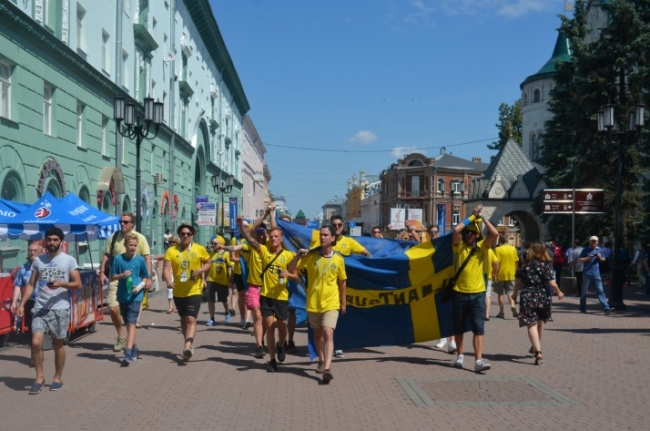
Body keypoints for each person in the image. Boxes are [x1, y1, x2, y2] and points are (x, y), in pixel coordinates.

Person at [226, 216, 296, 372]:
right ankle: (272, 360)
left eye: (276, 237)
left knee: (282, 326)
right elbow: (251, 240)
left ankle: (281, 344)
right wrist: (242, 229)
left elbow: (297, 275)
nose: (273, 239)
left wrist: (289, 274)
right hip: (265, 295)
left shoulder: (289, 255)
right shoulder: (263, 250)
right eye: (271, 237)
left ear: (281, 238)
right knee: (270, 327)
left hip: (281, 297)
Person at [17, 227, 81, 394]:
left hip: (60, 309)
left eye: (55, 240)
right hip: (40, 307)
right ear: (45, 241)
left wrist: (61, 284)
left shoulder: (68, 260)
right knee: (36, 342)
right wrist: (22, 304)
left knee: (57, 345)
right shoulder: (39, 261)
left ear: (61, 241)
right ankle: (39, 377)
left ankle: (57, 378)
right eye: (49, 240)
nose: (52, 243)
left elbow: (77, 283)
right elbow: (31, 284)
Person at [288, 225, 347, 384]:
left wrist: (343, 302)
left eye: (326, 235)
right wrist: (298, 256)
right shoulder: (311, 256)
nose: (322, 238)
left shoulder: (339, 259)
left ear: (333, 238)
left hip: (331, 303)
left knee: (328, 333)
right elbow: (291, 269)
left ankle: (327, 369)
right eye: (321, 235)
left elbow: (342, 282)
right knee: (317, 335)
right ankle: (321, 360)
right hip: (314, 303)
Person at [310, 214, 370, 358]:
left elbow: (366, 253)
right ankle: (321, 352)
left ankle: (336, 347)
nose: (337, 227)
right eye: (334, 225)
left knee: (335, 324)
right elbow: (311, 256)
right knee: (321, 328)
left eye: (339, 225)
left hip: (342, 285)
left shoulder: (349, 242)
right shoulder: (321, 243)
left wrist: (372, 267)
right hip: (320, 289)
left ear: (343, 227)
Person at [450, 205, 498, 373]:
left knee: (478, 328)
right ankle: (460, 356)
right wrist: (472, 217)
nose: (469, 234)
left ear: (478, 235)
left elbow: (495, 234)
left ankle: (478, 360)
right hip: (459, 293)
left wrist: (482, 218)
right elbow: (456, 230)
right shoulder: (458, 247)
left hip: (478, 294)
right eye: (468, 232)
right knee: (459, 327)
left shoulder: (482, 248)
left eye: (473, 232)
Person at [220, 207, 273, 358]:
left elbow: (271, 229)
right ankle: (259, 346)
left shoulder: (270, 247)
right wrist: (223, 247)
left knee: (267, 319)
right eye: (258, 232)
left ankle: (266, 341)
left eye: (263, 233)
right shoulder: (249, 247)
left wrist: (269, 214)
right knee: (257, 314)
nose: (260, 234)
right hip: (254, 286)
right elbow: (235, 247)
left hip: (269, 288)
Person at [99, 212, 152, 353]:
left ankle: (130, 342)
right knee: (112, 308)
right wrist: (102, 272)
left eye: (125, 222)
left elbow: (147, 258)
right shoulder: (114, 237)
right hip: (116, 277)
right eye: (121, 221)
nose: (122, 224)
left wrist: (149, 278)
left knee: (129, 315)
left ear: (132, 224)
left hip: (132, 280)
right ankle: (121, 335)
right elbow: (107, 255)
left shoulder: (139, 238)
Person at [163, 223, 211, 362]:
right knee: (183, 319)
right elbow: (166, 268)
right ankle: (188, 345)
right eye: (183, 234)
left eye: (188, 234)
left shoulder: (199, 249)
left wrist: (201, 271)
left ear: (192, 236)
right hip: (178, 291)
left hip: (194, 289)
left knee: (191, 319)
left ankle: (187, 346)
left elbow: (208, 262)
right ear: (179, 235)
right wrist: (168, 280)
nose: (185, 236)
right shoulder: (172, 250)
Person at [513, 242, 565, 365]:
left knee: (531, 324)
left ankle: (538, 351)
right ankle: (535, 347)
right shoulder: (545, 266)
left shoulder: (524, 265)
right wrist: (559, 292)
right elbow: (552, 283)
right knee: (540, 322)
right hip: (543, 296)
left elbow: (518, 283)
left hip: (528, 296)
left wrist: (514, 294)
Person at [110, 233, 150, 366]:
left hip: (136, 295)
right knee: (128, 324)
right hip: (123, 295)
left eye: (135, 245)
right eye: (130, 245)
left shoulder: (140, 260)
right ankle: (134, 348)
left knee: (132, 323)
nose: (132, 247)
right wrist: (122, 275)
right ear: (125, 245)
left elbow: (146, 276)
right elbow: (112, 277)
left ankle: (127, 353)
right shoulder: (118, 259)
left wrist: (139, 287)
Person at [11, 241, 42, 367]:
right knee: (31, 330)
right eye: (30, 250)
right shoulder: (23, 268)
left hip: (42, 303)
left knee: (39, 330)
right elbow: (18, 286)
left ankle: (38, 354)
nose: (32, 253)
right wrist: (15, 303)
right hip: (29, 302)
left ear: (40, 252)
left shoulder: (45, 267)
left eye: (35, 250)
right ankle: (34, 356)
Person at [578, 236, 613, 314]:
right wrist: (588, 258)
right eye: (592, 241)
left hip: (596, 274)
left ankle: (606, 308)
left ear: (597, 242)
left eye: (595, 241)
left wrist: (600, 258)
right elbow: (580, 260)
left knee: (600, 291)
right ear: (590, 242)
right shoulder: (585, 249)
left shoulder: (600, 249)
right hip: (587, 274)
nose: (593, 243)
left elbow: (604, 259)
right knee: (584, 292)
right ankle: (582, 308)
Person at [206, 235, 233, 325]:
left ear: (221, 244)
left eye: (215, 243)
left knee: (224, 300)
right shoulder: (210, 254)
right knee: (210, 300)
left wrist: (230, 280)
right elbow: (206, 267)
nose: (213, 245)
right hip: (211, 280)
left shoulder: (225, 254)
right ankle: (212, 318)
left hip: (222, 281)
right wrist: (204, 280)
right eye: (212, 243)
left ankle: (227, 313)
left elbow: (230, 267)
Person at [230, 220, 252, 328]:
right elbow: (232, 257)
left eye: (246, 226)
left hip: (250, 272)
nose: (244, 228)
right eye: (242, 226)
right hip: (239, 271)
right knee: (241, 295)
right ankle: (242, 317)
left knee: (249, 295)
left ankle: (248, 318)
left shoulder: (251, 239)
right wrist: (243, 260)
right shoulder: (235, 239)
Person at [494, 234, 519, 319]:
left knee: (500, 294)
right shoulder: (513, 249)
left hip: (500, 273)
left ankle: (501, 312)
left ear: (500, 241)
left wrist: (495, 274)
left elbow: (496, 263)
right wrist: (515, 271)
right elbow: (516, 262)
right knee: (510, 292)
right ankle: (513, 306)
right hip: (511, 273)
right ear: (507, 240)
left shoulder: (497, 249)